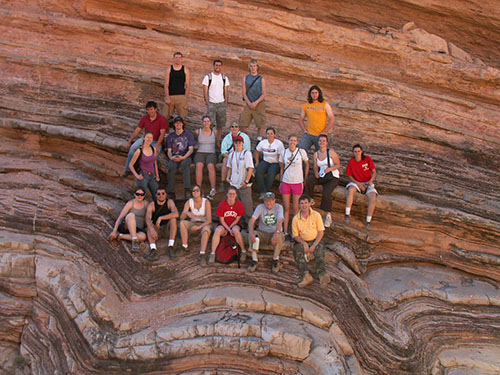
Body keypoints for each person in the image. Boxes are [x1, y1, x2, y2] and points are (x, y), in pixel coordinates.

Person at [291, 195, 330, 288]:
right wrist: (303, 243)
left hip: (315, 240)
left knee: (319, 252)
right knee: (297, 252)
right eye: (302, 203)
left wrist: (314, 244)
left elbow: (321, 232)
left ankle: (322, 275)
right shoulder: (296, 219)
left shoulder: (316, 215)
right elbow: (295, 235)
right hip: (303, 241)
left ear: (309, 204)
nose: (304, 205)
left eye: (306, 203)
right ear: (299, 205)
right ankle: (306, 276)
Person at [304, 134, 340, 228]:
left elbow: (338, 164)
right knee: (309, 180)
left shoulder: (331, 152)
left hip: (332, 176)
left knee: (326, 192)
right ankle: (310, 199)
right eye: (320, 141)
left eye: (324, 141)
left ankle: (328, 215)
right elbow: (315, 167)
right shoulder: (316, 154)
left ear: (327, 142)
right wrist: (316, 172)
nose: (322, 142)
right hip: (322, 175)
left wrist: (330, 169)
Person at [123, 101, 167, 176]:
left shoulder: (162, 119)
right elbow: (137, 130)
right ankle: (128, 169)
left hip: (156, 141)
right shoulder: (145, 118)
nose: (150, 111)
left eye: (151, 109)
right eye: (148, 110)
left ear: (155, 109)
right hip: (145, 139)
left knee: (153, 156)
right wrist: (129, 141)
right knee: (133, 147)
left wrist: (157, 146)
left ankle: (150, 176)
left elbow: (162, 134)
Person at [279, 135, 309, 240]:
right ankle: (285, 231)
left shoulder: (301, 152)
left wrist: (304, 179)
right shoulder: (284, 152)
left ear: (297, 142)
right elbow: (282, 167)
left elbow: (307, 164)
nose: (292, 142)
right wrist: (281, 180)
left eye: (294, 140)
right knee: (286, 207)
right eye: (291, 140)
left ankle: (294, 232)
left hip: (297, 181)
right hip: (286, 181)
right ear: (288, 141)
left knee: (296, 208)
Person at [247, 192, 285, 273]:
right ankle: (254, 260)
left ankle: (275, 259)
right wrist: (251, 233)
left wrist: (277, 233)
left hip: (274, 232)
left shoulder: (279, 207)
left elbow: (280, 221)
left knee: (280, 235)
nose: (268, 203)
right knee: (253, 234)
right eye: (266, 201)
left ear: (274, 201)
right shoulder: (260, 207)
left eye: (271, 200)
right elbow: (252, 220)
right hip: (263, 233)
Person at [209, 187, 247, 264]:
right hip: (224, 224)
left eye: (233, 194)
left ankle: (243, 251)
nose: (231, 195)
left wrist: (230, 229)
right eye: (230, 193)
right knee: (217, 230)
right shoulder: (222, 204)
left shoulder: (239, 204)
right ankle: (212, 253)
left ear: (236, 195)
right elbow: (221, 220)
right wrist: (228, 230)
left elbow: (237, 219)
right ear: (226, 194)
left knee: (236, 230)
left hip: (235, 224)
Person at [344, 144, 378, 230]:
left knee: (373, 197)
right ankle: (347, 214)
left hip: (367, 183)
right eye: (355, 152)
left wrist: (370, 181)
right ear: (353, 153)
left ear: (361, 151)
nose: (357, 153)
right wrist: (358, 183)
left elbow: (374, 172)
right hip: (357, 182)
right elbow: (349, 175)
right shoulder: (351, 162)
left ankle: (368, 221)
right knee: (351, 190)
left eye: (358, 151)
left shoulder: (367, 159)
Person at [179, 185, 212, 264]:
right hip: (193, 223)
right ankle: (184, 246)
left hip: (204, 223)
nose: (195, 192)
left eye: (197, 190)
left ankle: (202, 254)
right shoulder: (189, 202)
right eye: (193, 191)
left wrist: (199, 227)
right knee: (182, 223)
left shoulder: (206, 202)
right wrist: (186, 212)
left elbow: (209, 220)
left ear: (200, 192)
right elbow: (181, 217)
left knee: (206, 230)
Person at [109, 188, 149, 253]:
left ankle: (120, 236)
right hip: (127, 226)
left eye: (142, 194)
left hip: (138, 229)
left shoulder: (146, 204)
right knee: (131, 215)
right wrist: (114, 230)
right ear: (134, 195)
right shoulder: (130, 203)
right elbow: (120, 217)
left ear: (144, 195)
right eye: (137, 194)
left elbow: (148, 217)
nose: (139, 196)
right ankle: (134, 241)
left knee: (143, 237)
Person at [165, 116, 196, 199]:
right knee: (171, 167)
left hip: (185, 156)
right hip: (174, 156)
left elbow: (191, 149)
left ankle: (187, 190)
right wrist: (171, 157)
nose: (178, 124)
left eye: (180, 123)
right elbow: (169, 150)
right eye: (176, 123)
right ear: (174, 125)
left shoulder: (188, 135)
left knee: (185, 165)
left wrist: (183, 157)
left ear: (183, 124)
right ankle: (171, 191)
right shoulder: (170, 136)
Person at [144, 187, 178, 260]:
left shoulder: (169, 202)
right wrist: (151, 229)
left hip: (167, 229)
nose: (161, 195)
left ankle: (170, 246)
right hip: (157, 229)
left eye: (163, 193)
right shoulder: (152, 204)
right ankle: (153, 249)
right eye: (158, 194)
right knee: (149, 226)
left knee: (173, 220)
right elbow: (147, 218)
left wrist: (161, 218)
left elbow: (176, 214)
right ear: (156, 195)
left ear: (166, 194)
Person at [298, 86, 335, 152]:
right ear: (310, 94)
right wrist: (304, 130)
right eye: (312, 93)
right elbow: (301, 119)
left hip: (320, 135)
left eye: (316, 93)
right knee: (300, 151)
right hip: (308, 134)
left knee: (321, 154)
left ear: (319, 93)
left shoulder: (325, 104)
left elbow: (332, 119)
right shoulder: (306, 105)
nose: (314, 95)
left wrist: (325, 131)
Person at [226, 136, 254, 222]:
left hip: (244, 184)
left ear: (243, 143)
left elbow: (250, 168)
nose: (238, 144)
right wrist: (227, 177)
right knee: (235, 206)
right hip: (234, 184)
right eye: (236, 142)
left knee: (247, 206)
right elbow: (230, 167)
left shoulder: (247, 153)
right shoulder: (231, 154)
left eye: (239, 142)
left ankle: (249, 225)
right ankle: (238, 223)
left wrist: (246, 181)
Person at [202, 59, 229, 143]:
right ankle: (210, 139)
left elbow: (226, 91)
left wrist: (226, 102)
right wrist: (207, 103)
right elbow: (205, 91)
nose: (218, 67)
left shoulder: (224, 78)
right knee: (210, 124)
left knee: (220, 124)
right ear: (213, 66)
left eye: (219, 65)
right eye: (216, 65)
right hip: (212, 103)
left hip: (221, 103)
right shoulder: (208, 77)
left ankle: (218, 140)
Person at [219, 121, 251, 192]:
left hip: (242, 156)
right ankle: (223, 182)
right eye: (232, 126)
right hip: (230, 156)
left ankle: (243, 182)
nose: (234, 128)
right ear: (230, 128)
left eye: (236, 126)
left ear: (239, 128)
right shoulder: (227, 138)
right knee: (226, 161)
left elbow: (247, 150)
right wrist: (230, 157)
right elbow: (223, 151)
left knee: (242, 162)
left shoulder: (245, 137)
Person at [239, 59, 267, 139]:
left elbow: (264, 93)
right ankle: (244, 140)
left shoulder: (261, 79)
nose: (253, 68)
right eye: (251, 66)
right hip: (249, 103)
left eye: (254, 66)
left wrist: (256, 102)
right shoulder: (245, 78)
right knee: (243, 122)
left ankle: (259, 140)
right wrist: (249, 103)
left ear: (257, 67)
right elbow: (244, 93)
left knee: (260, 124)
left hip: (259, 103)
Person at [129, 131, 160, 199]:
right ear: (143, 138)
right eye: (147, 137)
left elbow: (154, 163)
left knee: (158, 196)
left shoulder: (153, 149)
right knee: (142, 197)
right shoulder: (139, 151)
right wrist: (137, 175)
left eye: (151, 138)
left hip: (152, 176)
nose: (149, 139)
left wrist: (157, 175)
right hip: (143, 176)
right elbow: (130, 165)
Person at [255, 127, 284, 198]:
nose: (270, 135)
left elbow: (281, 155)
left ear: (274, 135)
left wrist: (281, 168)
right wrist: (257, 162)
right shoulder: (263, 142)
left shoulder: (278, 144)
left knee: (271, 174)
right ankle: (262, 191)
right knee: (258, 171)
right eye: (268, 134)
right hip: (266, 160)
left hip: (276, 162)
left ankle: (266, 192)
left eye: (271, 134)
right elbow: (257, 151)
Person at [194, 115, 218, 199]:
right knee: (199, 165)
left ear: (210, 122)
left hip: (211, 152)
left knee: (210, 165)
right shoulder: (198, 131)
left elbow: (217, 143)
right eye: (204, 121)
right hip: (200, 152)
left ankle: (213, 189)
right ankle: (198, 189)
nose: (206, 123)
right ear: (202, 122)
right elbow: (195, 141)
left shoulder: (214, 132)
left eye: (208, 121)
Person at [164, 52, 190, 119]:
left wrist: (185, 98)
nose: (178, 59)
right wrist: (167, 97)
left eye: (179, 58)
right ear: (173, 59)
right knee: (166, 118)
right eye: (176, 57)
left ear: (182, 59)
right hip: (170, 96)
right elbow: (166, 84)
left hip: (181, 96)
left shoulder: (185, 70)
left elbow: (187, 85)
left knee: (182, 118)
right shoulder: (169, 69)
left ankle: (182, 129)